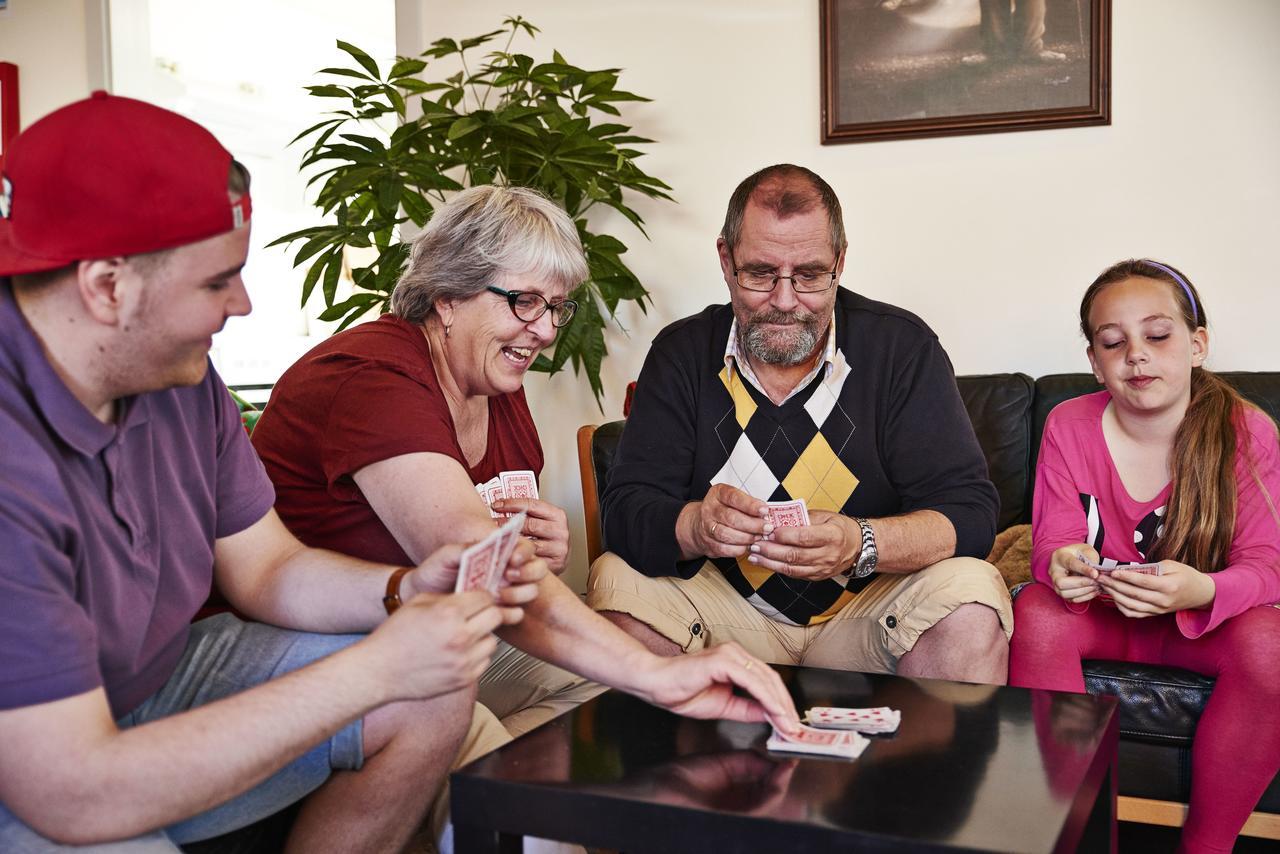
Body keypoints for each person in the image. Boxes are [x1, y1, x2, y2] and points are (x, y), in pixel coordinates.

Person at [0, 94, 799, 853]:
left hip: (162, 674)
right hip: (54, 758)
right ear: (105, 287)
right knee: (435, 682)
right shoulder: (15, 459)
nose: (242, 306)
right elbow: (71, 786)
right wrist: (378, 664)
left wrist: (402, 593)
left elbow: (267, 566)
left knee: (446, 690)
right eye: (216, 282)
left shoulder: (184, 380)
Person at [588, 164, 1012, 684]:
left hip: (868, 616)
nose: (785, 301)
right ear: (726, 261)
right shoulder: (681, 354)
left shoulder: (901, 348)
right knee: (614, 578)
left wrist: (861, 542)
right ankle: (685, 766)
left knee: (971, 594)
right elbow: (627, 512)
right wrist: (697, 525)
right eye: (761, 273)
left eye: (809, 275)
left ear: (840, 260)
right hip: (727, 625)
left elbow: (970, 514)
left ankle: (924, 770)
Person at [252, 184, 603, 741]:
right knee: (467, 718)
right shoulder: (375, 377)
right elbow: (461, 544)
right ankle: (477, 805)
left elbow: (497, 560)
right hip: (317, 650)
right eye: (526, 301)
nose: (546, 330)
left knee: (594, 684)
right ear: (448, 298)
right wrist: (655, 670)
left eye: (557, 307)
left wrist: (541, 548)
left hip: (429, 633)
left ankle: (468, 806)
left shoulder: (497, 384)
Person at [1009, 258, 1280, 853]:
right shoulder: (1067, 424)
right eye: (1114, 341)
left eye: (1157, 335)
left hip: (1202, 627)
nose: (1136, 353)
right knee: (1036, 610)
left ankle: (1206, 846)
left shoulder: (1248, 430)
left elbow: (1267, 568)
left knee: (1272, 640)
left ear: (1197, 344)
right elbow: (1051, 543)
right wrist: (1062, 567)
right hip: (1106, 621)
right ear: (1094, 361)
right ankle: (1073, 833)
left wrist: (1201, 590)